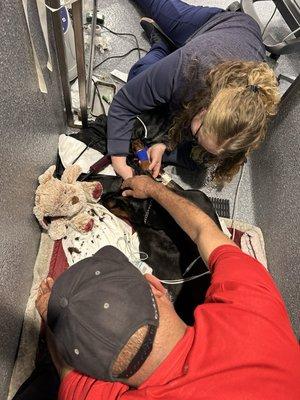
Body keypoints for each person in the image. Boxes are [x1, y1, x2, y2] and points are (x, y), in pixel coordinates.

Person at [36, 175, 300, 400]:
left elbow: (66, 372)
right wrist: (152, 187)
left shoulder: (87, 394)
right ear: (155, 286)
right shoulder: (255, 308)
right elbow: (202, 230)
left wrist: (50, 315)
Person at [107, 0, 280, 182]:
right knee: (158, 14)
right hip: (226, 24)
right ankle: (160, 46)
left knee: (181, 137)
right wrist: (119, 163)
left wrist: (164, 147)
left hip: (234, 48)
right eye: (198, 136)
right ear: (206, 109)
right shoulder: (192, 64)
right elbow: (124, 102)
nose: (196, 140)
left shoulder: (247, 126)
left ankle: (163, 48)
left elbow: (198, 158)